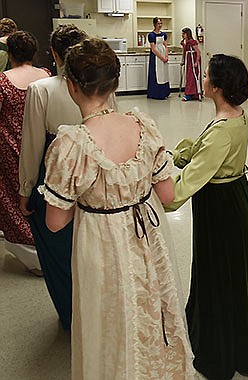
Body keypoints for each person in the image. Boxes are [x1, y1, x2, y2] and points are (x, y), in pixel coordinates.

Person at [40, 38, 194, 379]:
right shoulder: (144, 127)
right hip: (147, 237)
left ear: (71, 86)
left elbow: (54, 221)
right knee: (150, 309)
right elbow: (167, 195)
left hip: (101, 242)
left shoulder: (71, 144)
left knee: (109, 318)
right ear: (116, 83)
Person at [164, 54, 248, 379]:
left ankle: (220, 349)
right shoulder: (237, 116)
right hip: (237, 194)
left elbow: (187, 184)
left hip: (220, 204)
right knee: (238, 269)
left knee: (220, 270)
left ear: (216, 87)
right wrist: (176, 153)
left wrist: (159, 190)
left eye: (207, 75)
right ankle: (245, 341)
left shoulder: (222, 129)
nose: (203, 78)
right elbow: (202, 150)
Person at [18, 25, 103, 331]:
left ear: (54, 53)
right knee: (92, 242)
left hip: (54, 174)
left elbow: (31, 144)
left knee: (56, 245)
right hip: (94, 169)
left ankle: (71, 314)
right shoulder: (99, 86)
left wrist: (25, 188)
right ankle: (96, 309)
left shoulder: (42, 89)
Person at [0, 31, 49, 276]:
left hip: (11, 147)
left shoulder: (3, 81)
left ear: (10, 54)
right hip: (41, 145)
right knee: (41, 194)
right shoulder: (46, 76)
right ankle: (47, 245)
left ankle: (30, 253)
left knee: (13, 197)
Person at [147, 17, 170, 100]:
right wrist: (161, 58)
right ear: (154, 24)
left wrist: (166, 56)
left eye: (161, 23)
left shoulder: (164, 34)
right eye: (158, 24)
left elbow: (166, 46)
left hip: (163, 56)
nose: (160, 25)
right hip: (156, 57)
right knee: (157, 73)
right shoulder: (151, 35)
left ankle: (165, 92)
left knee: (164, 74)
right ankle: (156, 93)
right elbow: (153, 49)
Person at [180, 27, 201, 101]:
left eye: (184, 34)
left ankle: (190, 94)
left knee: (192, 77)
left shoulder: (192, 42)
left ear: (187, 34)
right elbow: (184, 51)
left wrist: (196, 62)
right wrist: (182, 60)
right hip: (188, 60)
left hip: (193, 60)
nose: (182, 35)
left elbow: (198, 52)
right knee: (188, 77)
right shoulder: (184, 42)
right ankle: (192, 94)